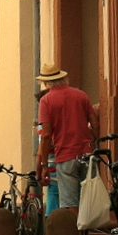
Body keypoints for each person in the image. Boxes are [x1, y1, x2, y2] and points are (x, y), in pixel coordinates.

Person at [35, 63, 99, 214]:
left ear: (45, 82)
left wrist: (45, 166)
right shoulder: (81, 94)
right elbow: (95, 123)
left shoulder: (46, 101)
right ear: (63, 78)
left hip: (65, 156)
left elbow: (46, 135)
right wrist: (94, 143)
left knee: (71, 204)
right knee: (89, 199)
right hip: (87, 154)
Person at [35, 88, 59, 216]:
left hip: (54, 174)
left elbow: (40, 152)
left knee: (53, 215)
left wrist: (39, 173)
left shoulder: (43, 127)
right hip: (73, 169)